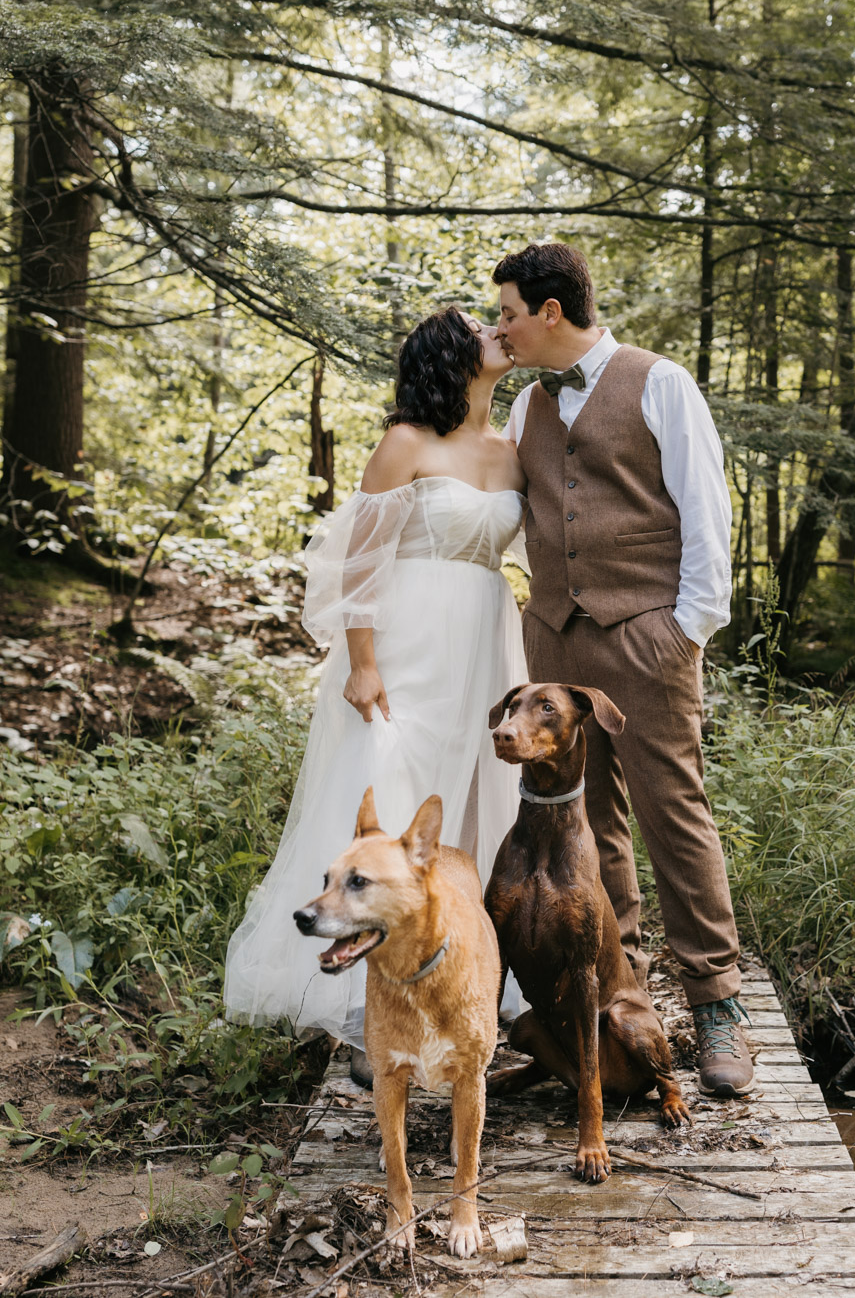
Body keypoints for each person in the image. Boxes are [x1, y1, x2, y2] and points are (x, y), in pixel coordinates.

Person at [224, 308, 528, 1086]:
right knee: (393, 798)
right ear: (450, 357)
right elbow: (362, 560)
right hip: (408, 642)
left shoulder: (510, 445)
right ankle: (367, 1014)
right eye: (481, 327)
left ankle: (465, 983)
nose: (499, 330)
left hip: (487, 641)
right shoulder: (405, 443)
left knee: (470, 807)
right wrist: (362, 661)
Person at [494, 242, 753, 1097]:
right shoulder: (524, 408)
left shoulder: (660, 382)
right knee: (586, 828)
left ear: (551, 312)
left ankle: (718, 1003)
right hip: (555, 649)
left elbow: (707, 513)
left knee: (673, 811)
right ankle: (621, 994)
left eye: (508, 312)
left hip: (647, 637)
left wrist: (686, 634)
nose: (503, 327)